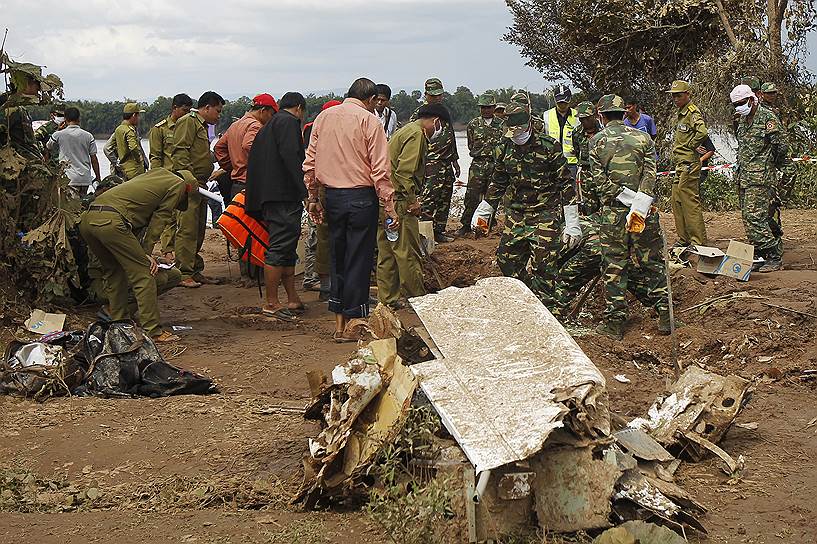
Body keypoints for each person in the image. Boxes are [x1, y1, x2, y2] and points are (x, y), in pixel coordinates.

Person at [303, 77, 398, 343]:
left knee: (338, 256)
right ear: (369, 100)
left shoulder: (323, 118)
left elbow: (310, 163)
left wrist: (313, 197)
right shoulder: (370, 121)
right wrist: (389, 207)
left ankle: (339, 325)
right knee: (359, 259)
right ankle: (355, 320)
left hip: (332, 196)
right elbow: (381, 170)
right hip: (361, 198)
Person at [479, 100, 578, 313]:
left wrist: (572, 220)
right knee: (507, 260)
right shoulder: (503, 148)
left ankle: (550, 311)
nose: (516, 136)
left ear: (529, 125)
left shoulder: (549, 146)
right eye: (512, 132)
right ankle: (527, 297)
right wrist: (486, 207)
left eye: (519, 131)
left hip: (545, 212)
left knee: (545, 265)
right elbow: (499, 180)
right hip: (516, 213)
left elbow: (565, 183)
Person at [79, 167, 195, 343]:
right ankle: (154, 331)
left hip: (88, 219)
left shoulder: (156, 174)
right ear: (187, 189)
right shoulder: (178, 184)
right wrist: (145, 253)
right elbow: (160, 220)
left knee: (113, 271)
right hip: (112, 222)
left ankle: (118, 322)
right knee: (143, 274)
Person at [588, 94, 670, 340]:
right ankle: (666, 315)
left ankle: (615, 323)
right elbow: (651, 173)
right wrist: (640, 200)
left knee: (614, 265)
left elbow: (599, 181)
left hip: (613, 214)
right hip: (643, 212)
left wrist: (623, 197)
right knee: (652, 262)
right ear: (624, 113)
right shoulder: (643, 138)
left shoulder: (596, 142)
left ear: (601, 116)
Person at [377, 104, 447, 309]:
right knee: (406, 252)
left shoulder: (405, 130)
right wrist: (412, 201)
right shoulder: (417, 135)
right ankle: (418, 300)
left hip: (384, 199)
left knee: (387, 252)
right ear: (436, 121)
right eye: (440, 125)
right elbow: (404, 174)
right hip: (398, 202)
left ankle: (387, 300)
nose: (439, 130)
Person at [245, 92, 308, 321]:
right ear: (299, 108)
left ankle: (292, 297)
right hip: (283, 196)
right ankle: (271, 302)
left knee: (287, 248)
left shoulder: (270, 125)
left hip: (269, 195)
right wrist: (305, 192)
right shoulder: (289, 123)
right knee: (280, 248)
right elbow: (293, 159)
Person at [730, 84, 788, 272]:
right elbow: (743, 146)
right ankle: (762, 253)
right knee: (749, 218)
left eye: (741, 103)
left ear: (751, 99)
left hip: (760, 177)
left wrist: (770, 164)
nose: (738, 107)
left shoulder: (767, 118)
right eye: (735, 104)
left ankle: (773, 254)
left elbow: (781, 146)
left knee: (755, 217)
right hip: (744, 176)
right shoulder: (741, 119)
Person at [554, 101, 604, 316]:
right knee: (590, 207)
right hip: (586, 172)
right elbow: (575, 152)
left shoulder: (605, 135)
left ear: (596, 116)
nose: (585, 121)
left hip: (602, 174)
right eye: (581, 118)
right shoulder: (577, 134)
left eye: (587, 117)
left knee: (603, 207)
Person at [171, 91, 225, 288]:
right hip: (190, 185)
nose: (219, 115)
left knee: (199, 228)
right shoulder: (189, 122)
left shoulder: (202, 126)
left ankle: (194, 269)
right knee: (187, 229)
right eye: (217, 111)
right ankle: (183, 272)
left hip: (201, 185)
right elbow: (180, 153)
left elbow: (200, 154)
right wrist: (189, 179)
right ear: (207, 108)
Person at [410, 78, 460, 243]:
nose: (437, 98)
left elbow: (451, 135)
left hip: (446, 162)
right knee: (429, 197)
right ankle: (424, 233)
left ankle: (439, 231)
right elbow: (413, 137)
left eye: (439, 95)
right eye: (433, 95)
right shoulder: (420, 113)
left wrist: (455, 159)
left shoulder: (444, 112)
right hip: (431, 162)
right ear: (426, 95)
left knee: (445, 197)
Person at [302, 99, 342, 295]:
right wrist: (313, 196)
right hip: (326, 188)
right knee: (320, 236)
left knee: (323, 236)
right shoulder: (320, 130)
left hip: (322, 187)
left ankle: (326, 285)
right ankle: (319, 281)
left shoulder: (316, 128)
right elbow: (310, 162)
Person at [149, 93, 193, 260]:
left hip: (183, 177)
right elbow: (156, 157)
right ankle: (167, 251)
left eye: (189, 111)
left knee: (184, 216)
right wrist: (156, 181)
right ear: (174, 108)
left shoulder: (189, 126)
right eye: (184, 110)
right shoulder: (160, 129)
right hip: (167, 179)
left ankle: (181, 252)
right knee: (168, 216)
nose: (186, 113)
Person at [457, 92, 505, 237]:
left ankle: (485, 226)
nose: (485, 110)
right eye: (483, 107)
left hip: (495, 165)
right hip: (478, 164)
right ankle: (466, 225)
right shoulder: (473, 124)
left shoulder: (502, 125)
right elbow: (470, 144)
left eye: (488, 107)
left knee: (491, 197)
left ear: (494, 107)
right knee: (472, 196)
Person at [667, 80, 708, 247]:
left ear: (687, 95)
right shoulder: (681, 113)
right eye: (674, 96)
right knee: (676, 201)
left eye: (679, 95)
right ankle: (683, 239)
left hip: (689, 164)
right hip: (680, 164)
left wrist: (691, 145)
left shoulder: (692, 112)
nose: (676, 99)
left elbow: (703, 132)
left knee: (690, 203)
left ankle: (698, 242)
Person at [214, 93, 278, 200]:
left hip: (236, 185)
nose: (271, 119)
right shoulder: (256, 125)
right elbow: (248, 145)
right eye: (271, 114)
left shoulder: (235, 125)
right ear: (262, 111)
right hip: (252, 185)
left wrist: (233, 166)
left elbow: (219, 148)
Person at [45, 106, 100, 196]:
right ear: (79, 119)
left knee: (70, 207)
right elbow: (94, 159)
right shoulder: (88, 136)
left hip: (68, 179)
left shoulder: (58, 135)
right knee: (82, 205)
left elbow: (48, 147)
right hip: (85, 179)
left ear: (65, 119)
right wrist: (98, 178)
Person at [543, 84, 579, 176]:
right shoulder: (546, 116)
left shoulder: (578, 116)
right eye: (560, 102)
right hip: (552, 162)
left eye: (565, 102)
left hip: (572, 163)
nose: (562, 105)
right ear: (555, 100)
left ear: (570, 99)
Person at [113, 103, 148, 181]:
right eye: (138, 116)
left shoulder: (119, 129)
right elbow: (133, 147)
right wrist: (139, 159)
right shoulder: (130, 130)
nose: (139, 118)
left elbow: (108, 148)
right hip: (134, 170)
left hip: (124, 169)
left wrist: (115, 162)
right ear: (133, 115)